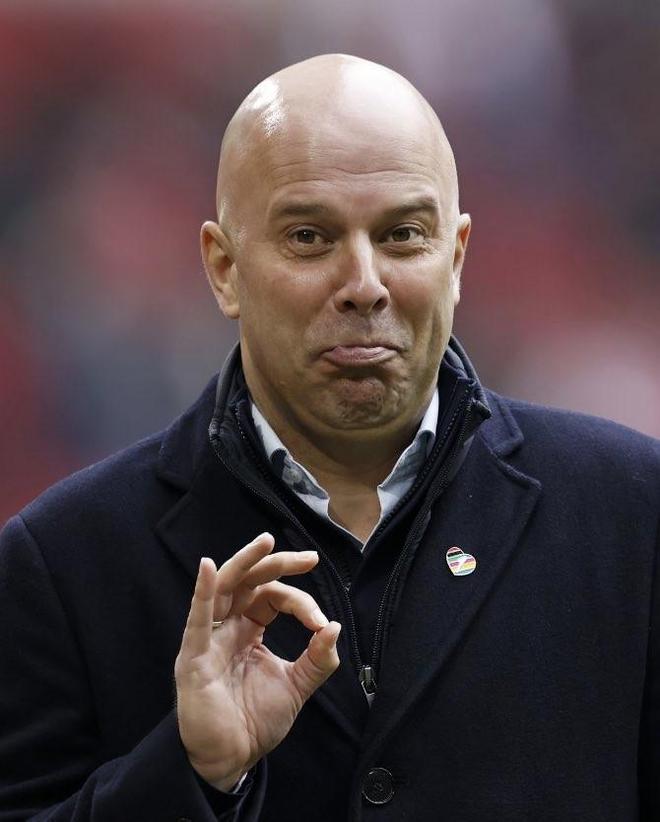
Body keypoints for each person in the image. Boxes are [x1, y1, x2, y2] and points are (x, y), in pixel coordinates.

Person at [0, 53, 659, 822]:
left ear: (456, 258)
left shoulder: (631, 515)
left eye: (403, 235)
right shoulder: (60, 564)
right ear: (224, 268)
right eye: (310, 237)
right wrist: (194, 775)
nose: (365, 284)